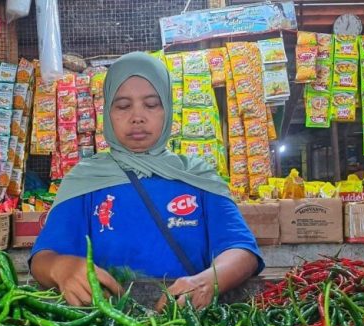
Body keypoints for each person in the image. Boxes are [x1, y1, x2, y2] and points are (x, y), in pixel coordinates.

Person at [30, 52, 264, 311]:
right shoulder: (84, 181)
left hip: (189, 324)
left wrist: (209, 281)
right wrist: (62, 269)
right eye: (122, 106)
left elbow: (242, 251)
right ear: (107, 112)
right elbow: (43, 258)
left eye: (151, 104)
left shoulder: (198, 177)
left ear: (167, 109)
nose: (137, 117)